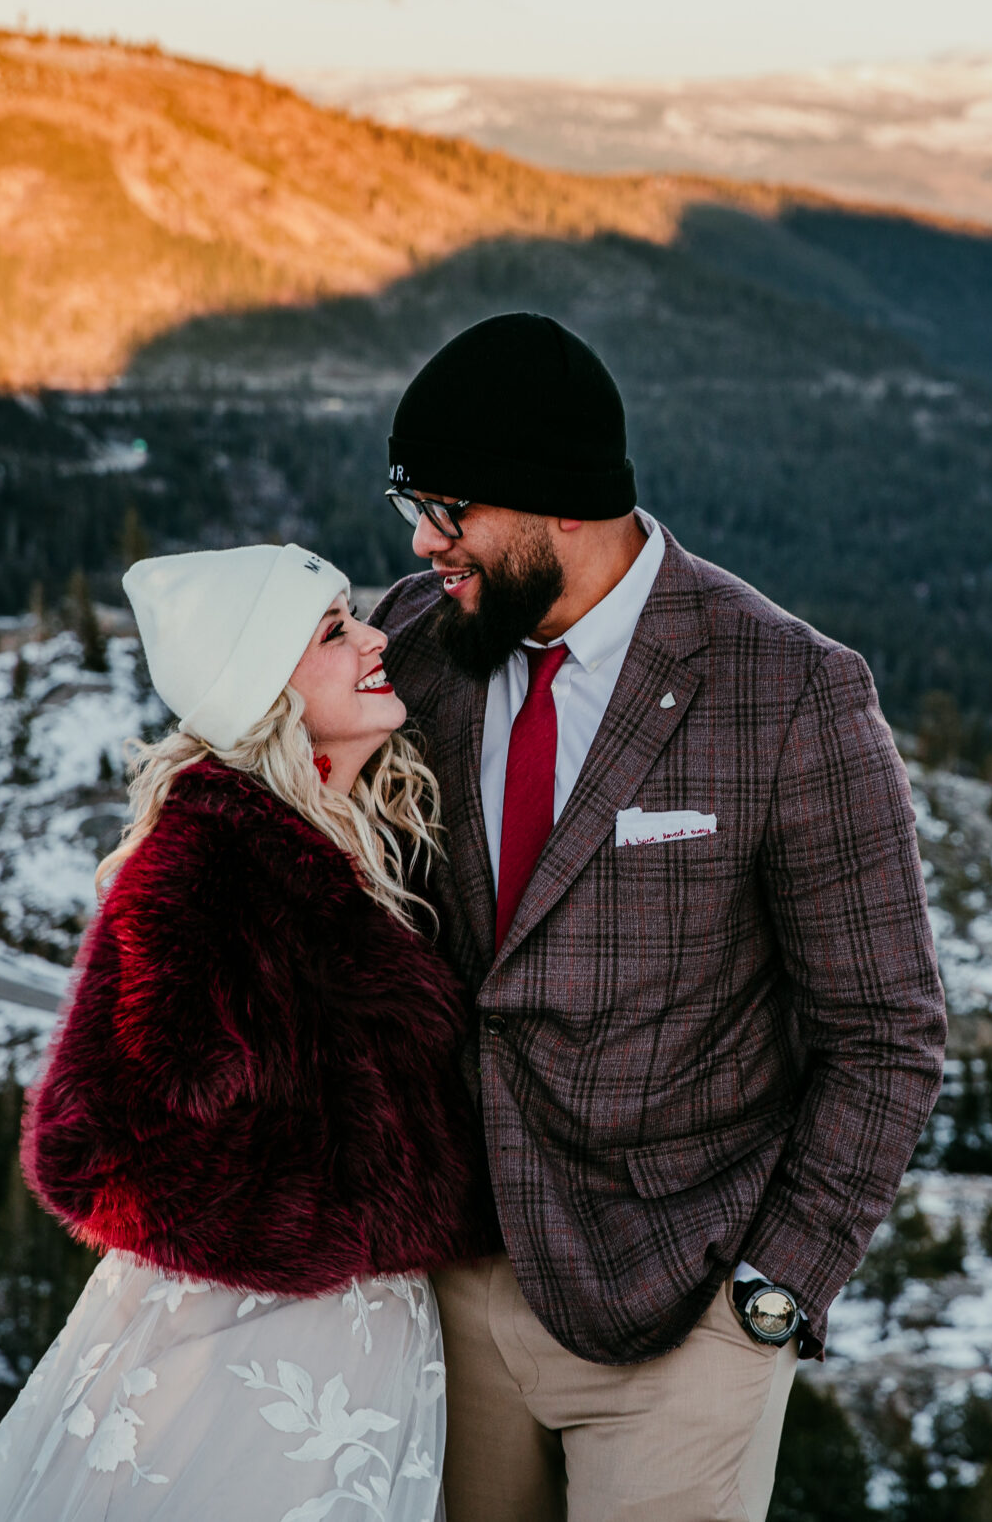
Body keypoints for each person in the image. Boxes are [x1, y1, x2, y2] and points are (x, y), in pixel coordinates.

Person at [370, 313, 948, 1522]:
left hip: (680, 1322)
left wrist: (771, 1300)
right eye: (411, 508)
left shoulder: (788, 691)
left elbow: (886, 1035)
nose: (425, 545)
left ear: (558, 505)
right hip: (450, 1293)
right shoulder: (416, 647)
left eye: (448, 509)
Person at [0, 543, 499, 1522]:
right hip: (252, 1353)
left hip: (354, 1344)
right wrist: (331, 1235)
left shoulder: (349, 840)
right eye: (334, 631)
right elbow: (98, 1146)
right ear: (262, 691)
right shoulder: (204, 859)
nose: (376, 638)